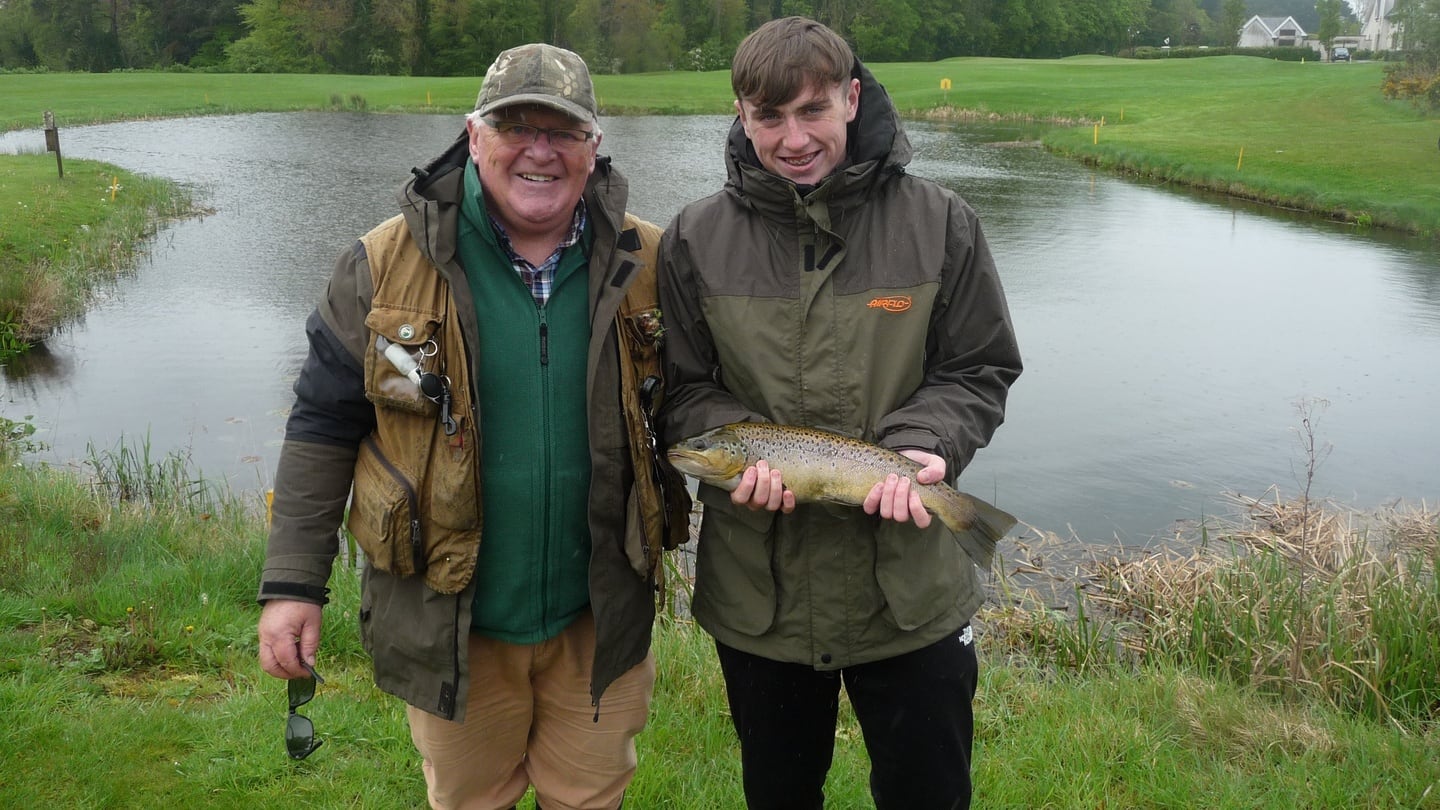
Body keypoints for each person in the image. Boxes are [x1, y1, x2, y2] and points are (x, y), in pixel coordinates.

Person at [257, 42, 684, 810]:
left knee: (591, 799)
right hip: (452, 616)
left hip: (599, 619)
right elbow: (323, 426)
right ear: (473, 135)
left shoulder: (649, 260)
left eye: (562, 130)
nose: (539, 150)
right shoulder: (382, 265)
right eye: (515, 126)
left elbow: (699, 403)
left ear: (593, 146)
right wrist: (293, 585)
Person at [656, 17, 1022, 810]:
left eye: (813, 110)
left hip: (912, 593)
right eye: (769, 117)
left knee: (928, 794)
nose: (793, 138)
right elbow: (680, 389)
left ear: (852, 99)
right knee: (780, 794)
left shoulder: (943, 222)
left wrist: (926, 444)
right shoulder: (692, 238)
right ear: (741, 115)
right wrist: (740, 448)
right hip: (762, 597)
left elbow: (979, 367)